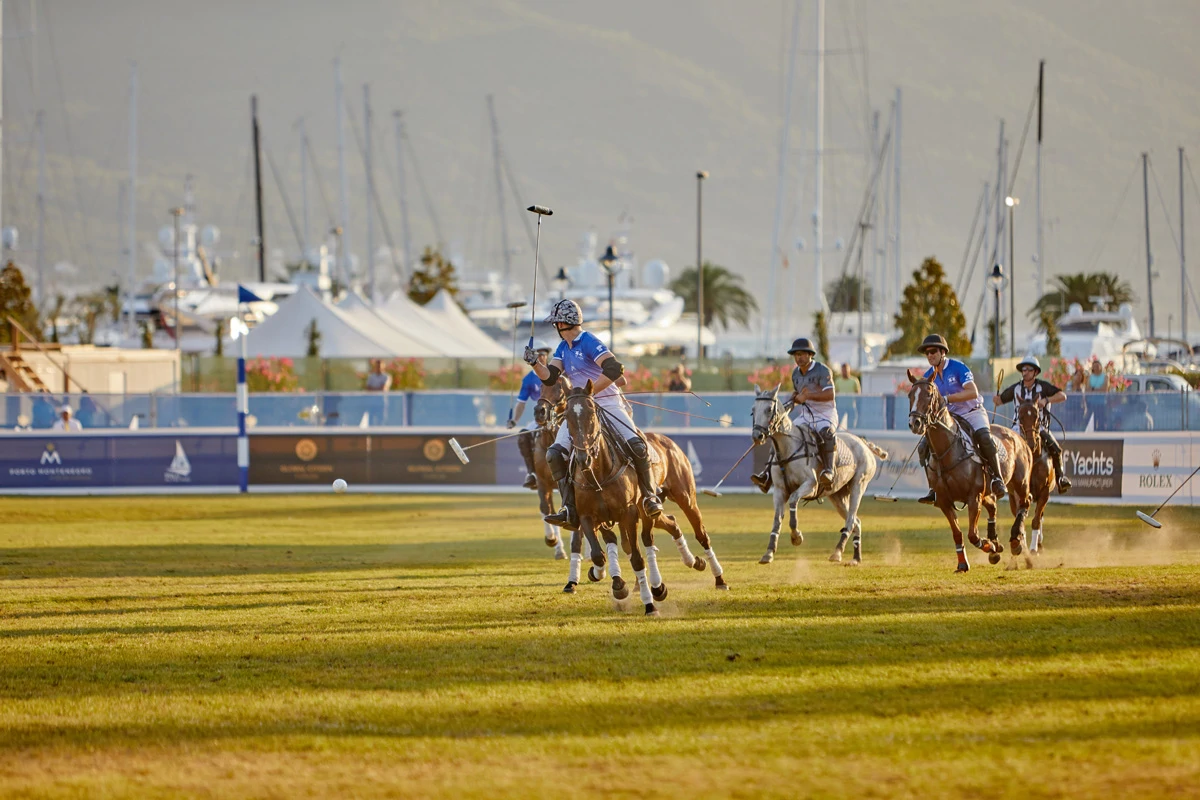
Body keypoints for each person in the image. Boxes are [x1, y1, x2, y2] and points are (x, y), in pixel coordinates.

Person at [524, 299, 662, 530]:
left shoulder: (587, 341)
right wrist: (535, 364)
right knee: (555, 454)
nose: (554, 327)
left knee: (637, 445)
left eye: (555, 322)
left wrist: (589, 394)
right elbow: (550, 377)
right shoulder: (562, 348)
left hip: (608, 403)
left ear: (563, 323)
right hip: (580, 410)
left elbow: (614, 368)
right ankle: (569, 508)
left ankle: (650, 497)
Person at [914, 333, 1007, 504]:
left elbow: (973, 392)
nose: (929, 355)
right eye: (926, 353)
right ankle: (933, 488)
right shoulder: (929, 376)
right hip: (950, 417)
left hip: (972, 412)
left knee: (985, 438)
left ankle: (997, 479)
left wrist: (947, 399)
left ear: (942, 352)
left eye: (933, 351)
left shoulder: (958, 367)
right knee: (923, 447)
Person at [750, 337, 838, 494]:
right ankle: (767, 474)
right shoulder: (796, 373)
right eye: (796, 355)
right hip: (806, 413)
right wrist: (793, 399)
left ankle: (828, 471)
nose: (799, 358)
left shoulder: (823, 370)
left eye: (802, 354)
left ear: (810, 355)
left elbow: (830, 395)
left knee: (827, 433)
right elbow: (799, 394)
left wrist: (808, 396)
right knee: (781, 433)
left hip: (825, 412)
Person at [993, 356, 1072, 494]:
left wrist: (1047, 400)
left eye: (1029, 370)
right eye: (1024, 369)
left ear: (1035, 372)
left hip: (1040, 427)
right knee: (1005, 448)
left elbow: (1062, 396)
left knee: (1056, 449)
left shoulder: (1043, 387)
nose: (1025, 372)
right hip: (1018, 427)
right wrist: (997, 399)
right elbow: (1000, 401)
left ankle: (1061, 479)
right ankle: (999, 478)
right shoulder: (1016, 388)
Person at [508, 340, 554, 490]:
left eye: (544, 354)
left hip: (558, 415)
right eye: (537, 354)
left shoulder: (556, 372)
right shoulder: (528, 380)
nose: (541, 357)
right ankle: (532, 473)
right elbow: (521, 402)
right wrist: (514, 420)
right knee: (523, 436)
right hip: (540, 418)